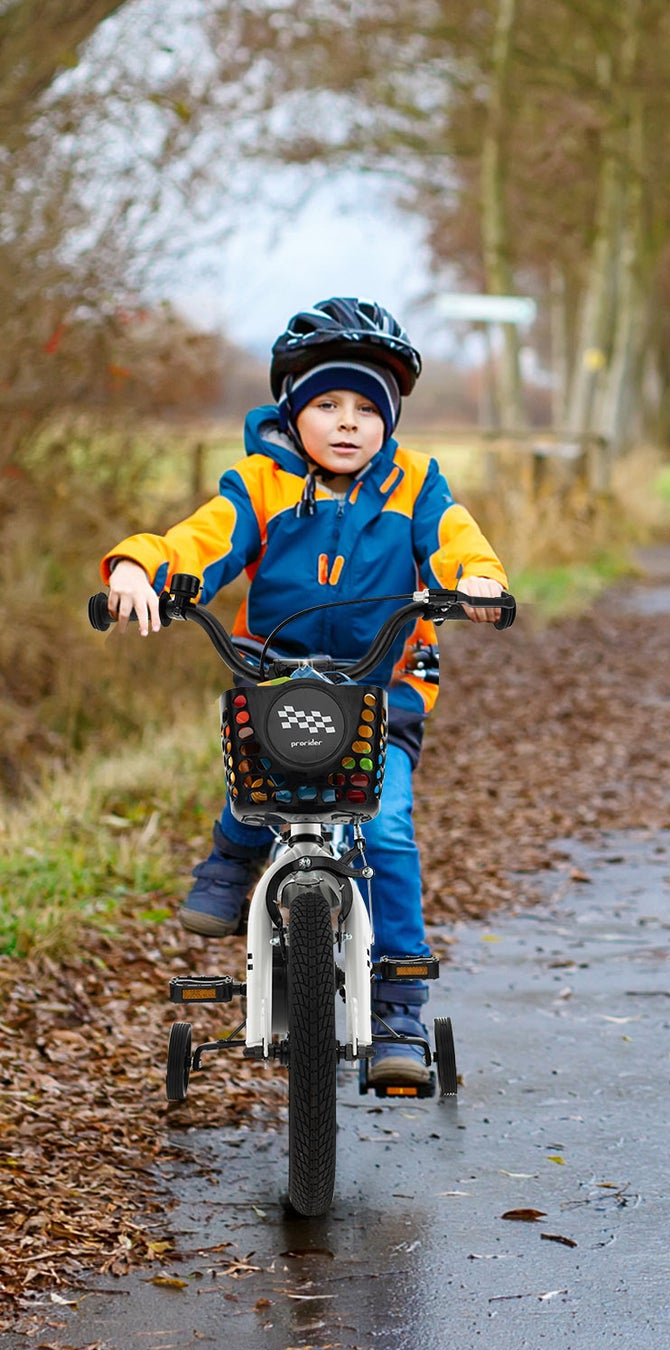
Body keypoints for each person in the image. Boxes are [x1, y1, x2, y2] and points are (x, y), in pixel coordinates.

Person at [102, 297, 507, 1085]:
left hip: (382, 686)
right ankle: (231, 856)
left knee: (384, 829)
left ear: (390, 421)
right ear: (293, 411)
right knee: (257, 777)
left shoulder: (416, 486)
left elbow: (456, 538)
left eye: (366, 408)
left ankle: (396, 1006)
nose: (348, 422)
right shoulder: (260, 483)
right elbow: (201, 539)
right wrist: (138, 568)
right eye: (327, 403)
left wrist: (476, 580)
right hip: (275, 677)